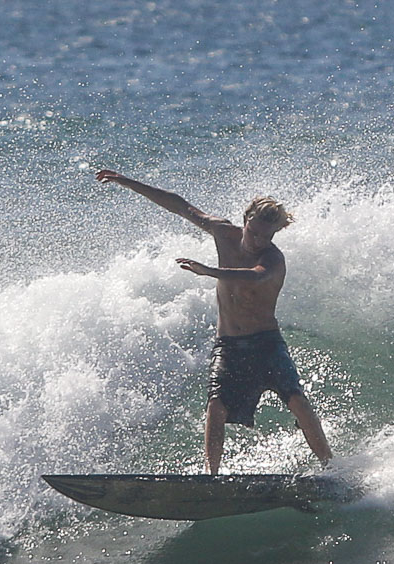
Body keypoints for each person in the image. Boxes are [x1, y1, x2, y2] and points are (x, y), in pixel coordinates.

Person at [96, 169, 332, 475]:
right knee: (216, 407)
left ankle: (329, 467)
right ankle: (211, 477)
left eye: (265, 236)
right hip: (229, 344)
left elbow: (255, 276)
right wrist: (125, 181)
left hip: (266, 343)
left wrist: (211, 272)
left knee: (297, 400)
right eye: (254, 231)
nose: (257, 240)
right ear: (245, 219)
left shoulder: (273, 259)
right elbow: (180, 205)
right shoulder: (223, 232)